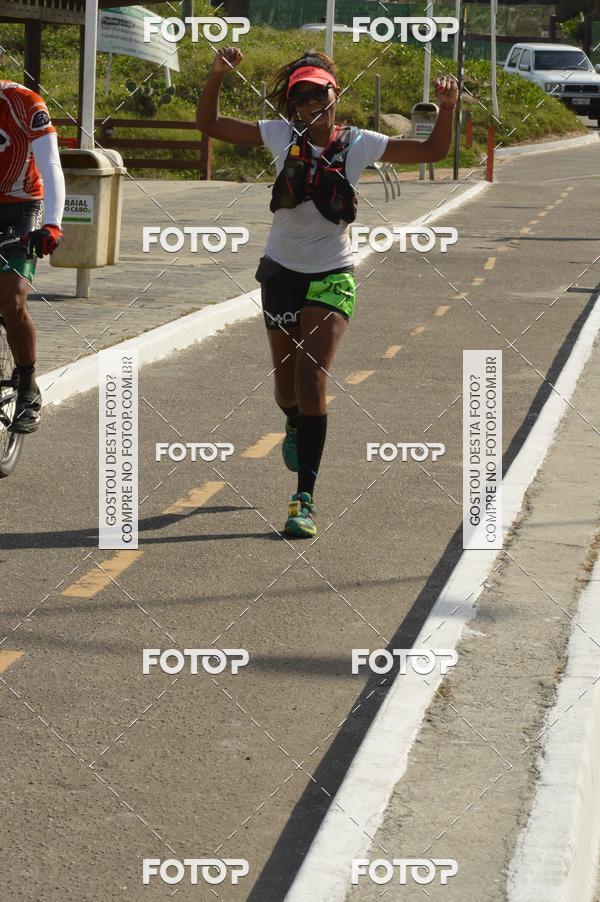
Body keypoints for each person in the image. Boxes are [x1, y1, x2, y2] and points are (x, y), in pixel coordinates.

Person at [197, 49, 457, 538]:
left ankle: (304, 498)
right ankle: (293, 421)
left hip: (333, 273)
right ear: (292, 105)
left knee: (312, 375)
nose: (311, 101)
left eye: (319, 92)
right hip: (281, 273)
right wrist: (216, 76)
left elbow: (431, 153)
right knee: (285, 387)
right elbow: (209, 124)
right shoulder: (280, 135)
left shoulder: (358, 143)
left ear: (335, 94)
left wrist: (448, 110)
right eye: (301, 96)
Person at [0, 80, 65, 433]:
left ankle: (27, 385)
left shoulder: (24, 102)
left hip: (22, 206)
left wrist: (52, 224)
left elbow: (51, 165)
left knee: (11, 298)